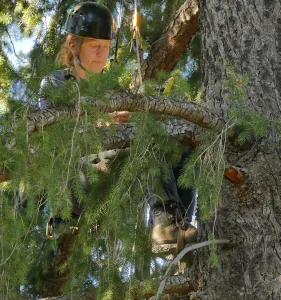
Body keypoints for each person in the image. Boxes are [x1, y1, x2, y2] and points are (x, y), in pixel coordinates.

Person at [39, 1, 197, 253]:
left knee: (179, 146)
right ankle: (164, 223)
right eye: (94, 46)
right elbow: (52, 138)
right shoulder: (56, 83)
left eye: (106, 47)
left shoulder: (114, 90)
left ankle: (179, 228)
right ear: (73, 46)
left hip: (114, 167)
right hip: (77, 176)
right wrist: (99, 124)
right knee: (143, 143)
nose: (101, 54)